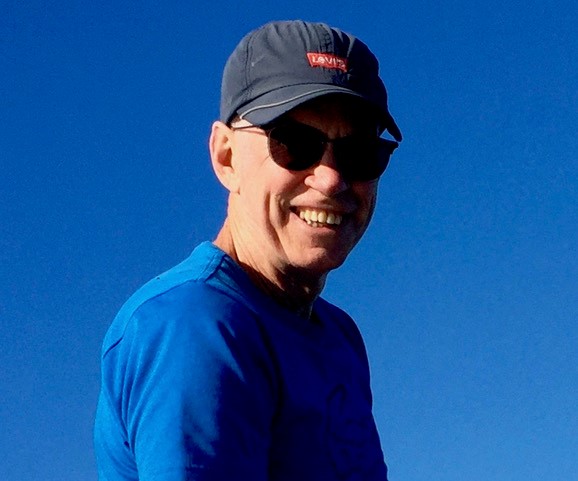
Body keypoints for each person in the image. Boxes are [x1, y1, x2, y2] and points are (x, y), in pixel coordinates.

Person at [94, 20, 402, 481]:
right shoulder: (195, 325)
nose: (332, 178)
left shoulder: (339, 337)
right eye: (295, 143)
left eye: (359, 152)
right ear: (226, 156)